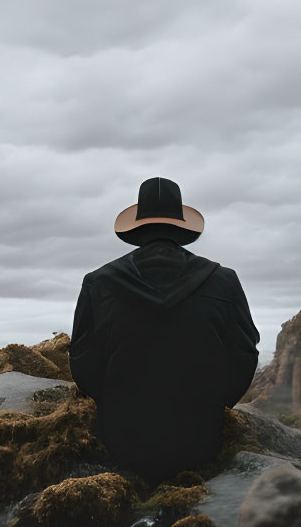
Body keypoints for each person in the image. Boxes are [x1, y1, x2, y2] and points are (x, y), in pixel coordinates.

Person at [69, 177, 259, 485]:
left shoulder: (98, 282)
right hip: (201, 442)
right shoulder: (224, 280)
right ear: (181, 229)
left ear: (138, 229)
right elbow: (245, 354)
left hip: (120, 440)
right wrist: (213, 405)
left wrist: (114, 403)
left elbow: (81, 360)